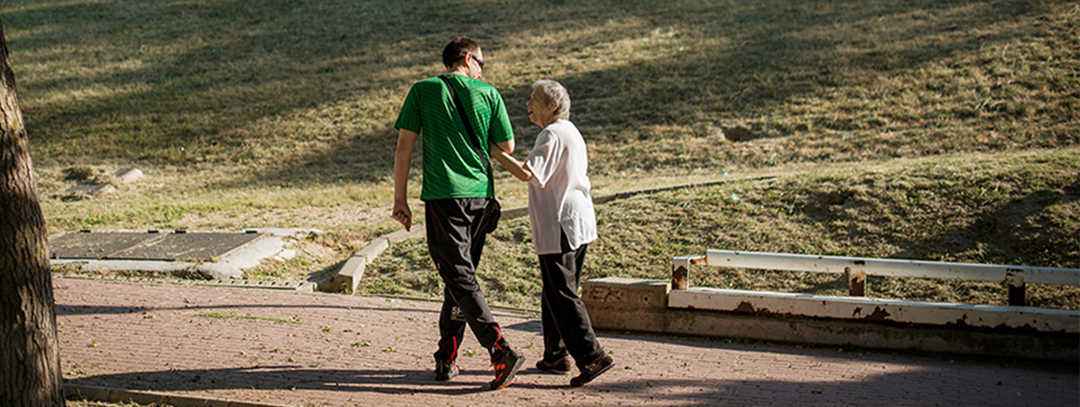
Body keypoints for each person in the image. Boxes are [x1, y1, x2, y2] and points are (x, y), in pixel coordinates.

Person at [391, 37, 525, 390]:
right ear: (467, 59)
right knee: (460, 279)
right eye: (481, 62)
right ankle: (446, 356)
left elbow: (404, 147)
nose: (482, 69)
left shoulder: (423, 91)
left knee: (459, 277)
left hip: (444, 197)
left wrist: (399, 199)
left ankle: (499, 350)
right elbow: (506, 146)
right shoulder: (489, 93)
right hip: (481, 200)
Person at [492, 80, 615, 387]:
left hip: (559, 222)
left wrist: (491, 150)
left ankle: (592, 357)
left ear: (554, 106)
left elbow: (528, 173)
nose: (528, 104)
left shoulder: (552, 133)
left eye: (534, 100)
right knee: (554, 291)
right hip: (576, 219)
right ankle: (555, 354)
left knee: (561, 293)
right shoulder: (570, 131)